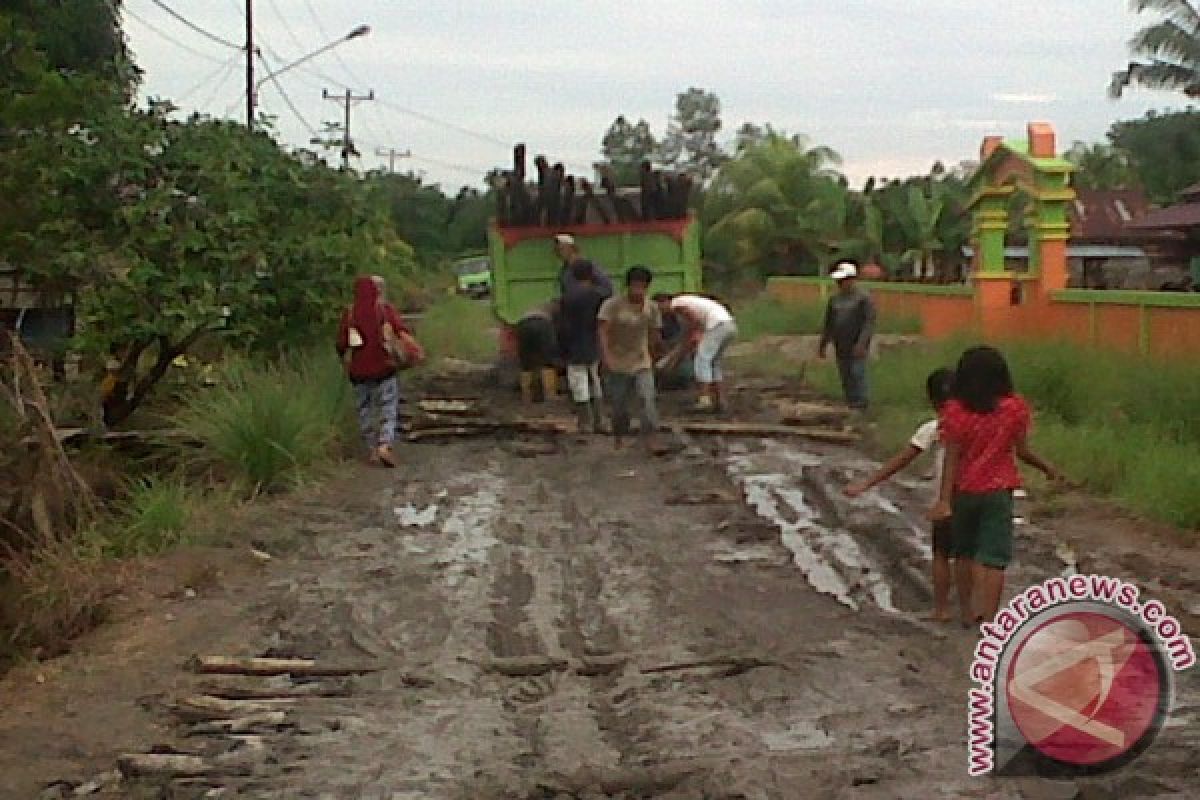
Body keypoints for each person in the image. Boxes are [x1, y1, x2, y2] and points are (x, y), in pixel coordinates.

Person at [930, 346, 1064, 628]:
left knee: (963, 553)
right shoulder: (1014, 409)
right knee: (993, 558)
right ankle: (990, 619)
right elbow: (1023, 452)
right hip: (998, 492)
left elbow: (951, 458)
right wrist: (1049, 468)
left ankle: (966, 611)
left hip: (963, 491)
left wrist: (944, 500)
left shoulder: (955, 412)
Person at [845, 368, 956, 622]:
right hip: (976, 495)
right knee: (969, 554)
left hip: (943, 499)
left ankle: (942, 608)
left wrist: (867, 483)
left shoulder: (935, 428)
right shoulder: (978, 425)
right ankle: (973, 608)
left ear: (931, 400)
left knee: (941, 553)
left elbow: (903, 460)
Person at [336, 275, 423, 468]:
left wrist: (344, 357)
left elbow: (341, 343)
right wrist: (412, 350)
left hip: (358, 373)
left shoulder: (350, 313)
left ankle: (372, 449)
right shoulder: (384, 310)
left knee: (364, 409)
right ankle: (385, 443)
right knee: (388, 406)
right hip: (385, 367)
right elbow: (400, 330)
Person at [598, 265, 664, 452]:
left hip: (641, 360)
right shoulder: (612, 306)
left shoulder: (651, 308)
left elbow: (654, 333)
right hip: (617, 361)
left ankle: (652, 438)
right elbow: (603, 331)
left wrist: (656, 355)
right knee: (619, 405)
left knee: (647, 398)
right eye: (635, 286)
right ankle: (619, 436)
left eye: (642, 286)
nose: (638, 290)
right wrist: (606, 357)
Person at [656, 293, 737, 412]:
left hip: (717, 325)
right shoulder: (687, 301)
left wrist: (693, 336)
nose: (660, 312)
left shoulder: (676, 304)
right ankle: (720, 400)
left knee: (702, 360)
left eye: (659, 307)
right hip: (729, 325)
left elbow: (693, 322)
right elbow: (689, 334)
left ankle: (704, 399)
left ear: (665, 302)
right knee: (714, 363)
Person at [818, 261, 876, 411]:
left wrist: (862, 343)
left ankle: (861, 406)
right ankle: (851, 404)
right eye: (839, 281)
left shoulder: (864, 298)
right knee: (845, 376)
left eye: (843, 280)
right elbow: (828, 323)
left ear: (852, 279)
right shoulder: (834, 300)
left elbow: (868, 323)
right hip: (840, 344)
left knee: (857, 374)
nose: (840, 284)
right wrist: (823, 344)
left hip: (856, 343)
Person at [560, 260, 606, 432]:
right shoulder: (598, 295)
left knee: (578, 382)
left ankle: (585, 422)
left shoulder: (567, 297)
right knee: (596, 380)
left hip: (573, 343)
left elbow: (563, 325)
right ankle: (600, 420)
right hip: (594, 341)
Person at [515, 299, 561, 404]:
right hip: (542, 323)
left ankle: (526, 395)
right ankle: (550, 395)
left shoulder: (541, 305)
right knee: (547, 361)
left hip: (523, 324)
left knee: (526, 363)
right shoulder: (559, 306)